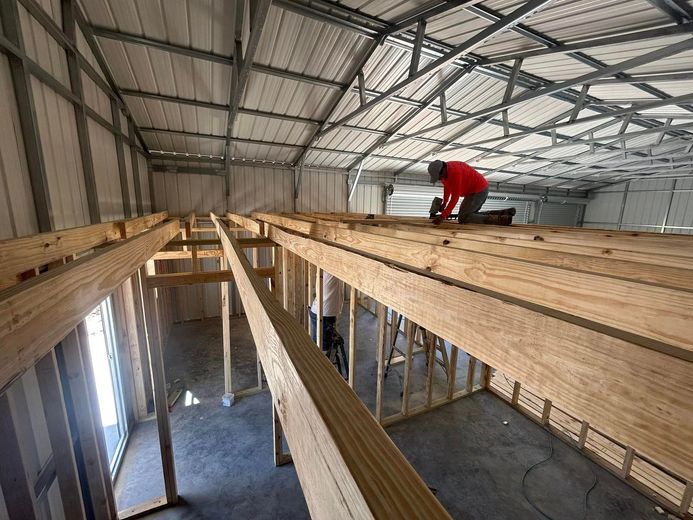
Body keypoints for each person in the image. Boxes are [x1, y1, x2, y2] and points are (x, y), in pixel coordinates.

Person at [428, 159, 512, 226]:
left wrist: (443, 216)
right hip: (473, 191)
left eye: (439, 177)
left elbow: (455, 198)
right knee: (471, 215)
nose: (440, 179)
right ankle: (504, 214)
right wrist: (444, 203)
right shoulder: (444, 174)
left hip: (479, 190)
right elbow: (447, 187)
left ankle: (499, 220)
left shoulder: (455, 173)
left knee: (463, 218)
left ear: (443, 170)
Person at [309, 271, 344, 352]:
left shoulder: (325, 270)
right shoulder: (331, 269)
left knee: (319, 348)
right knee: (322, 350)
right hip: (324, 315)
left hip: (320, 313)